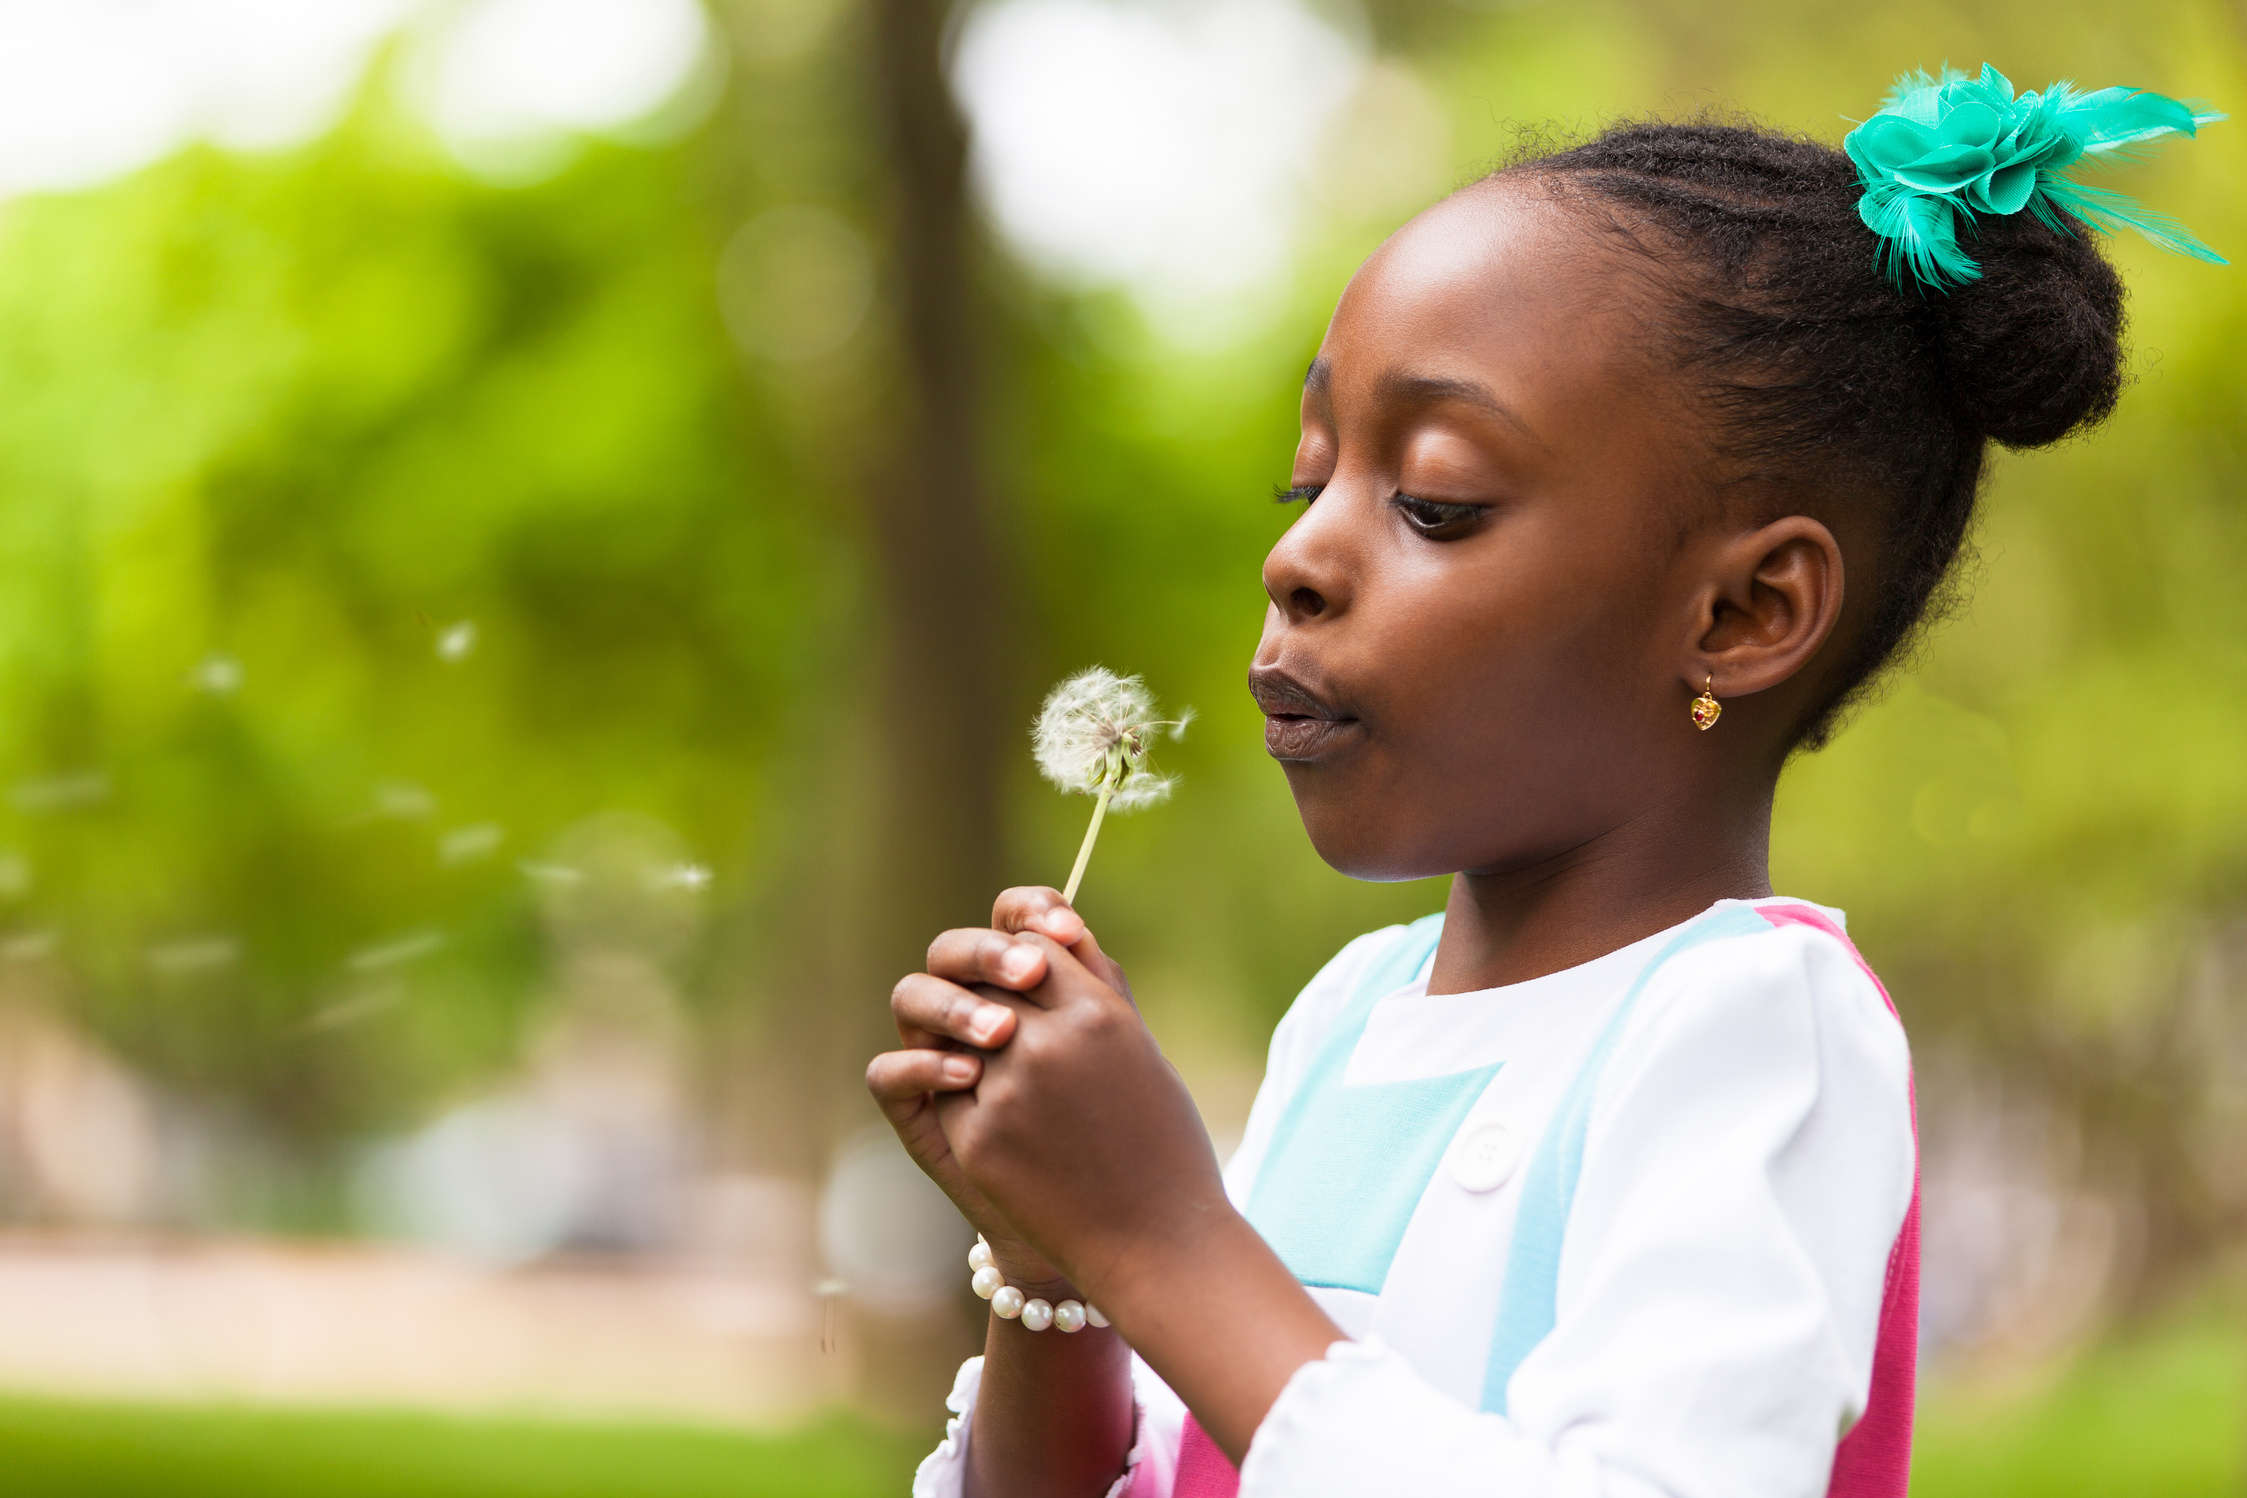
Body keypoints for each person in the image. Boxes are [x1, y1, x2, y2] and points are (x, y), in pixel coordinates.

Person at [867, 68, 2225, 1498]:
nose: (1298, 560)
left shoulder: (1758, 1029)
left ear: (1744, 615)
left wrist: (1162, 1234)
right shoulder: (1346, 1022)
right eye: (1309, 483)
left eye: (1435, 501)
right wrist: (1059, 1269)